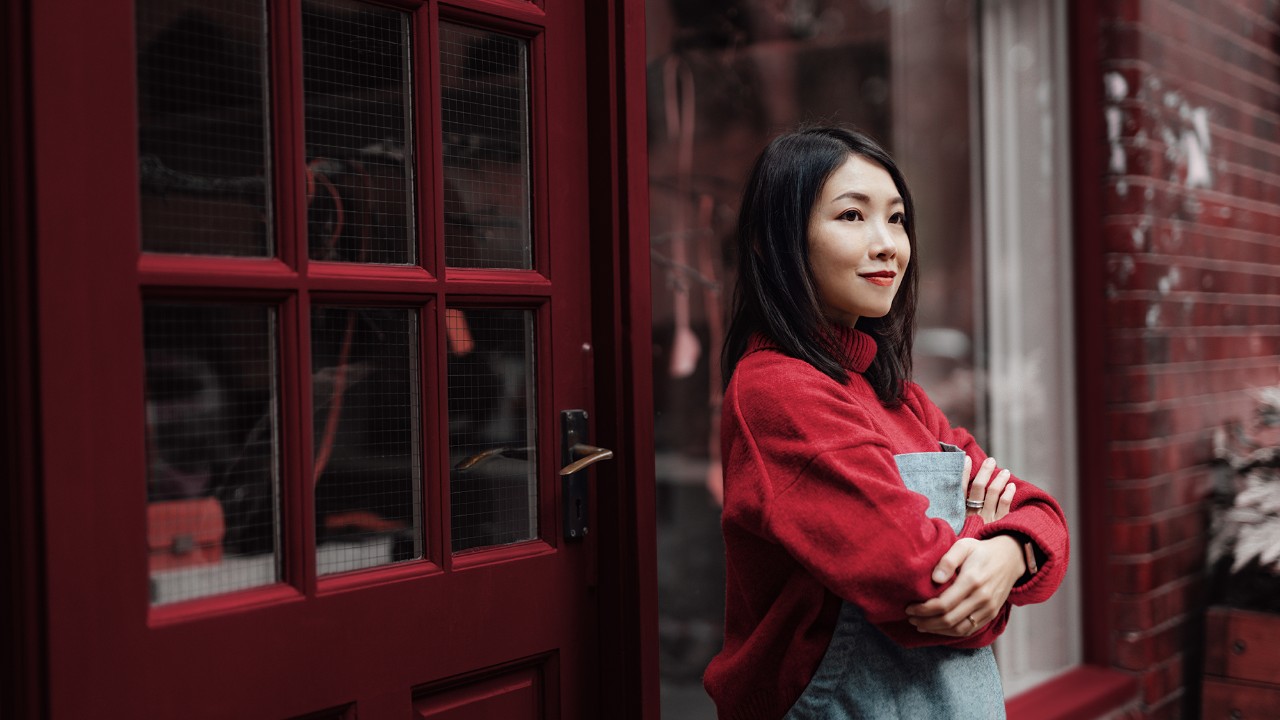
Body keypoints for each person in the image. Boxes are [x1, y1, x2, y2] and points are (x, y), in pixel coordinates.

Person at [704, 126, 1069, 719]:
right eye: (852, 216)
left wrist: (1009, 552)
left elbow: (1044, 514)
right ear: (773, 243)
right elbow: (923, 587)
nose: (887, 245)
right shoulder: (777, 391)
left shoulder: (902, 398)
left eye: (897, 219)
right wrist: (988, 531)